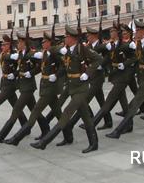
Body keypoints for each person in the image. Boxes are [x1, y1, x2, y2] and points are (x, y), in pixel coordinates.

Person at [30, 23, 103, 153]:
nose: (65, 39)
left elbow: (99, 59)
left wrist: (87, 73)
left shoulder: (82, 48)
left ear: (73, 38)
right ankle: (94, 143)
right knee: (86, 116)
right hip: (71, 86)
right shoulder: (66, 49)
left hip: (81, 87)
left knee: (66, 113)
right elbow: (52, 50)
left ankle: (44, 142)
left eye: (66, 37)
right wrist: (60, 52)